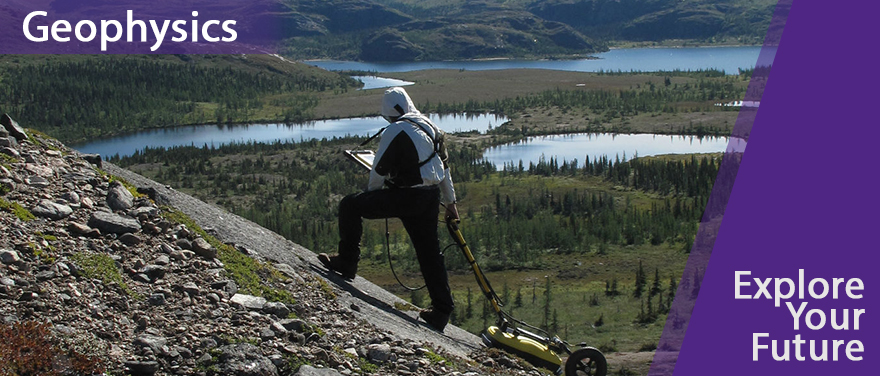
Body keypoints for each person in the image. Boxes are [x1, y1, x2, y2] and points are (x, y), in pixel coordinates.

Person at [318, 87, 459, 332]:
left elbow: (379, 169)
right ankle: (441, 310)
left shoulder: (397, 129)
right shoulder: (431, 127)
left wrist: (371, 195)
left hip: (406, 196)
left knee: (350, 205)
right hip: (430, 197)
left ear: (390, 113)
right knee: (430, 253)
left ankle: (347, 262)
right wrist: (450, 203)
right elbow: (444, 169)